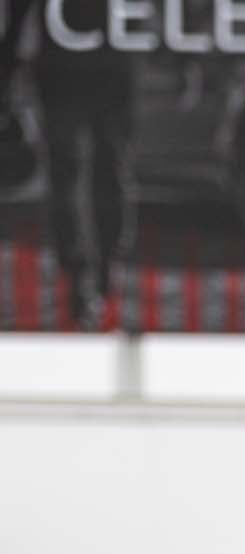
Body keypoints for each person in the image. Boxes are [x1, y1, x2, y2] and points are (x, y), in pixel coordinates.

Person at [0, 0, 134, 328]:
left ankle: (88, 276)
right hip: (95, 65)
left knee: (78, 172)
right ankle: (95, 274)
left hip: (75, 67)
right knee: (99, 171)